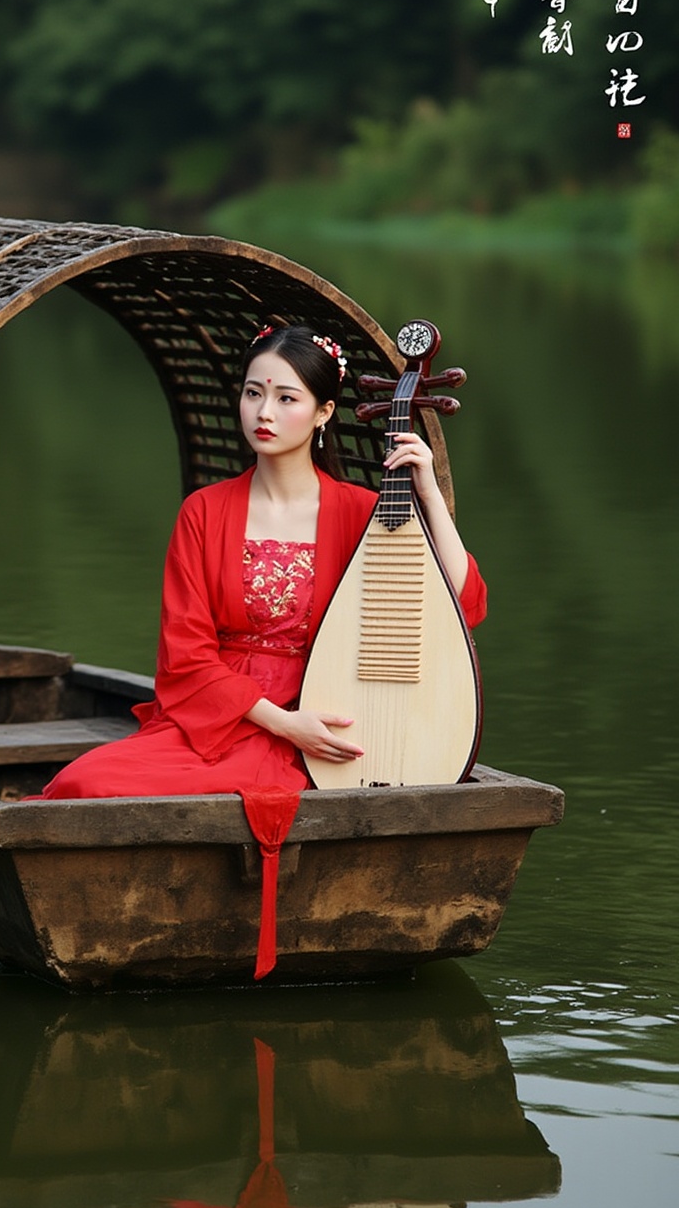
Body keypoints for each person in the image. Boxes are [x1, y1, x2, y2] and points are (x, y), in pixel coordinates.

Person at [38, 323, 487, 970]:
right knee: (84, 782)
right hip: (228, 716)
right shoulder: (204, 512)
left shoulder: (360, 511)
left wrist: (429, 495)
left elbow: (462, 605)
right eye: (253, 393)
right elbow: (186, 656)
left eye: (285, 397)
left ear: (324, 412)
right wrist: (282, 723)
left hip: (329, 715)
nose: (264, 412)